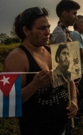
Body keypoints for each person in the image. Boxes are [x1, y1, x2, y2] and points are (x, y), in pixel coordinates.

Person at [4, 7, 77, 135]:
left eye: (48, 27)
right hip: (37, 130)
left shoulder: (53, 50)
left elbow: (69, 78)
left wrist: (74, 100)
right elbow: (7, 102)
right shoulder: (16, 58)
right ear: (26, 30)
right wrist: (34, 85)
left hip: (63, 125)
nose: (48, 32)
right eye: (42, 28)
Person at [51, 0, 80, 133]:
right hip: (63, 88)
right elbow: (62, 68)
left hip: (69, 83)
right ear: (64, 13)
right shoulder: (60, 34)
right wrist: (70, 87)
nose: (76, 17)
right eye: (74, 13)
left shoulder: (66, 32)